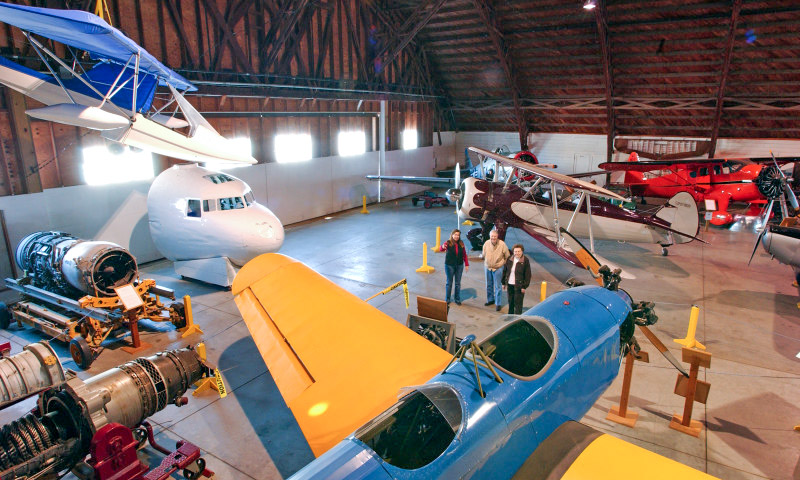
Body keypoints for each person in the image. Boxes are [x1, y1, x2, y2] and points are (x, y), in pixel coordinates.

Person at [438, 229, 469, 305]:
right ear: (452, 235)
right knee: (449, 283)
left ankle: (457, 299)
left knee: (457, 283)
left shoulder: (461, 243)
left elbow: (464, 254)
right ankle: (447, 299)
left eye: (458, 235)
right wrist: (442, 247)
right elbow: (440, 249)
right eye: (455, 234)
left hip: (459, 265)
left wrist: (466, 264)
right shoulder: (448, 243)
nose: (457, 236)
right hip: (449, 266)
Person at [482, 229, 509, 311]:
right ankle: (490, 300)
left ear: (497, 237)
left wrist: (502, 264)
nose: (493, 238)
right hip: (488, 267)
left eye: (495, 236)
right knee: (489, 285)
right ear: (490, 236)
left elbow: (507, 255)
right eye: (492, 236)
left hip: (498, 268)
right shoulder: (486, 243)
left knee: (498, 286)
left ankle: (498, 303)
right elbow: (483, 254)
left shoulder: (502, 244)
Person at [501, 244, 531, 314]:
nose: (517, 253)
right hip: (510, 284)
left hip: (519, 286)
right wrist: (503, 283)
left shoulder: (525, 260)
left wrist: (524, 286)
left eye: (519, 251)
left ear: (522, 251)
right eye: (515, 251)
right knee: (510, 302)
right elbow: (505, 271)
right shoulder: (509, 259)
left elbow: (528, 274)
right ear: (513, 252)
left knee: (518, 304)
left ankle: (517, 318)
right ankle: (510, 317)